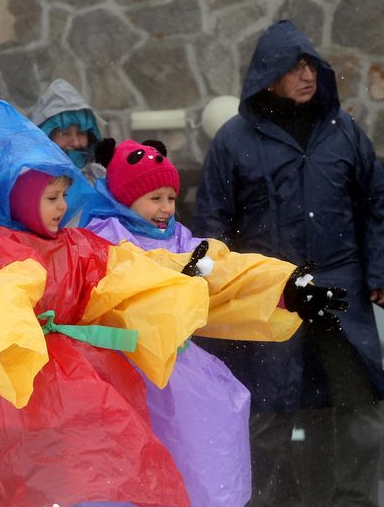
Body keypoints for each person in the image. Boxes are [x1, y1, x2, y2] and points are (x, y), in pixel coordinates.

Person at [0, 101, 334, 507]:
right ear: (21, 199)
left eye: (64, 195)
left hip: (90, 384)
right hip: (26, 390)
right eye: (51, 197)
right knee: (66, 482)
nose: (62, 206)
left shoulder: (80, 247)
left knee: (113, 477)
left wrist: (280, 288)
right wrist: (24, 347)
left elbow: (150, 273)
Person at [192, 20, 384, 507]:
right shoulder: (234, 140)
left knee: (360, 411)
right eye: (295, 67)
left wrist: (382, 274)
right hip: (270, 297)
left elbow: (376, 207)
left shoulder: (344, 132)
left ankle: (352, 504)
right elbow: (213, 225)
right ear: (269, 76)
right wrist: (218, 292)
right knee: (268, 415)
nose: (307, 75)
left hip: (339, 292)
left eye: (311, 65)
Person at [79, 137, 347, 507]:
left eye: (171, 198)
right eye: (154, 198)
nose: (166, 207)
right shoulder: (101, 236)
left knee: (197, 458)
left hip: (176, 372)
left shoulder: (179, 240)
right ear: (125, 197)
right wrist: (177, 274)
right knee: (125, 469)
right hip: (118, 372)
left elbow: (225, 273)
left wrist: (285, 289)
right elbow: (125, 276)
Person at [29, 78, 106, 183]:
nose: (76, 142)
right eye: (65, 133)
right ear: (47, 136)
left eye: (81, 133)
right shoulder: (31, 181)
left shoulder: (101, 179)